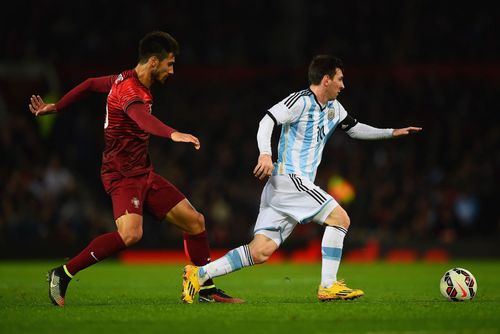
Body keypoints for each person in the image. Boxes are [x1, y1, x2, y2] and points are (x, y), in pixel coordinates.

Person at [181, 55, 422, 303]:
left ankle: (198, 274)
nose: (343, 85)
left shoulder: (334, 108)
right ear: (326, 80)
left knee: (260, 251)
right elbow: (267, 121)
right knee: (340, 218)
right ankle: (328, 286)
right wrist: (265, 154)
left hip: (284, 188)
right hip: (290, 179)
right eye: (340, 79)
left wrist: (392, 133)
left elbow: (355, 128)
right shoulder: (300, 101)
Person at [29, 31, 243, 306]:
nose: (172, 70)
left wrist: (56, 106)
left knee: (195, 221)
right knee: (131, 234)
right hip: (121, 175)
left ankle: (203, 287)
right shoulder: (129, 90)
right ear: (154, 61)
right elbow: (142, 120)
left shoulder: (122, 78)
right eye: (170, 63)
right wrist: (173, 134)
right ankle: (63, 273)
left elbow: (90, 83)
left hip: (143, 173)